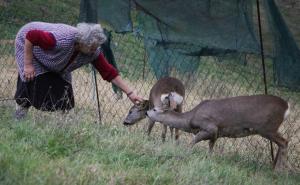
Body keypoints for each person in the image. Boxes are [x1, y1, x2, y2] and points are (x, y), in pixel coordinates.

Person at [14, 21, 143, 119]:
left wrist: (130, 93)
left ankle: (62, 125)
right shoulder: (61, 41)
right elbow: (31, 36)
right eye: (93, 47)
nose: (95, 50)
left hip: (57, 62)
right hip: (30, 47)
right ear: (82, 43)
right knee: (34, 81)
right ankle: (20, 115)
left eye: (97, 46)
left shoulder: (92, 51)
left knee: (64, 89)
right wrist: (28, 64)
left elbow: (109, 72)